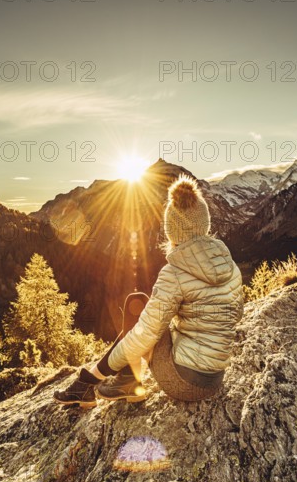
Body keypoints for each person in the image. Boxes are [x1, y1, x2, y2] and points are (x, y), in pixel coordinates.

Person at [54, 173, 244, 407]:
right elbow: (236, 315)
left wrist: (95, 374)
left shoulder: (174, 273)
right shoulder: (230, 266)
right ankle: (124, 381)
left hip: (185, 383)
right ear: (205, 224)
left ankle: (94, 384)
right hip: (215, 379)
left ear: (171, 230)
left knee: (137, 305)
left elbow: (143, 336)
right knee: (148, 315)